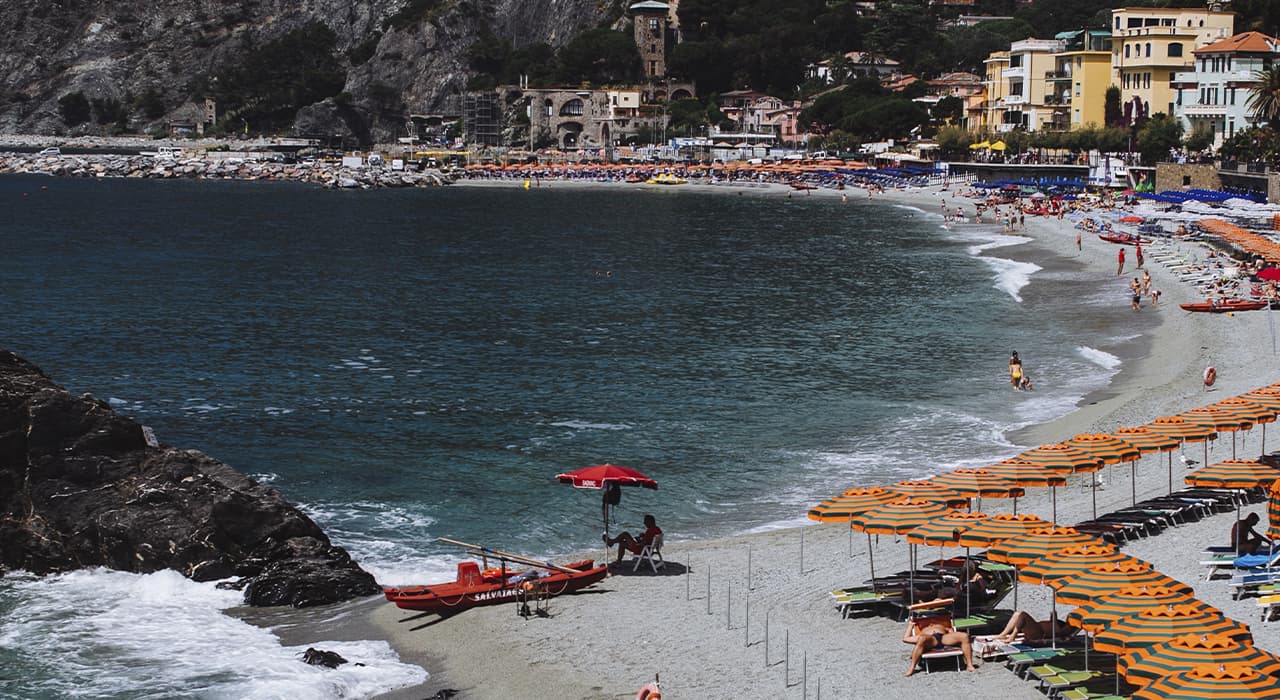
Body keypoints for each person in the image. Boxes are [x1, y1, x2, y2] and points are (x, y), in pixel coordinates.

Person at [903, 617, 975, 676]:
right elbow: (905, 639)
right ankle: (912, 668)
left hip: (944, 637)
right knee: (922, 638)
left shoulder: (941, 626)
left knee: (964, 636)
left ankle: (969, 665)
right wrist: (910, 625)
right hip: (930, 640)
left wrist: (955, 640)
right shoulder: (923, 630)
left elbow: (951, 631)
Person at [990, 611, 1074, 644]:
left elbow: (1055, 630)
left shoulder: (1065, 630)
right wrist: (1053, 614)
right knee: (1017, 614)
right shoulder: (1062, 624)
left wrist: (1054, 620)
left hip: (1039, 633)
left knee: (1023, 615)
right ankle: (1003, 634)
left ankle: (1012, 636)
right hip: (1036, 628)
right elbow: (1052, 623)